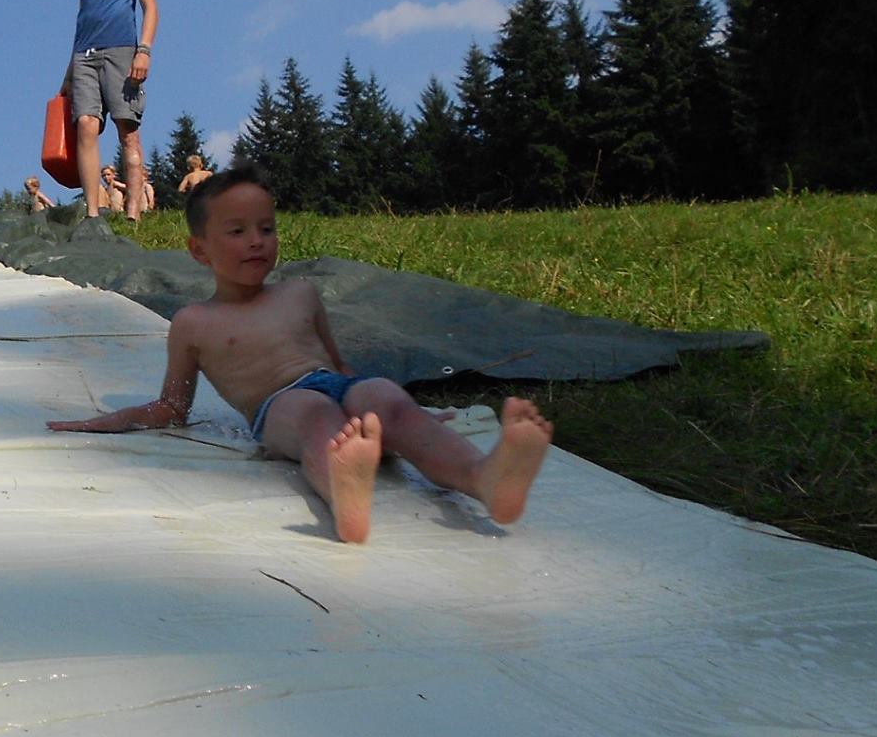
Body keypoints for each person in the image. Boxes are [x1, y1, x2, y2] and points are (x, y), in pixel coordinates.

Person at [46, 164, 553, 544]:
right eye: (237, 231)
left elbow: (339, 368)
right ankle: (343, 490)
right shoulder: (194, 323)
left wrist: (409, 416)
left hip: (335, 384)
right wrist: (102, 422)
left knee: (383, 396)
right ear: (200, 250)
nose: (256, 242)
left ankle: (484, 479)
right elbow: (172, 406)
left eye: (266, 228)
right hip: (278, 404)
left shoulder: (301, 293)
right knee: (315, 416)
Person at [59, 0, 157, 221]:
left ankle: (133, 212)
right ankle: (92, 213)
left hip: (122, 50)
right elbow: (81, 16)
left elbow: (150, 6)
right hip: (84, 54)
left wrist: (143, 52)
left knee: (127, 129)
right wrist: (69, 72)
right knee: (85, 124)